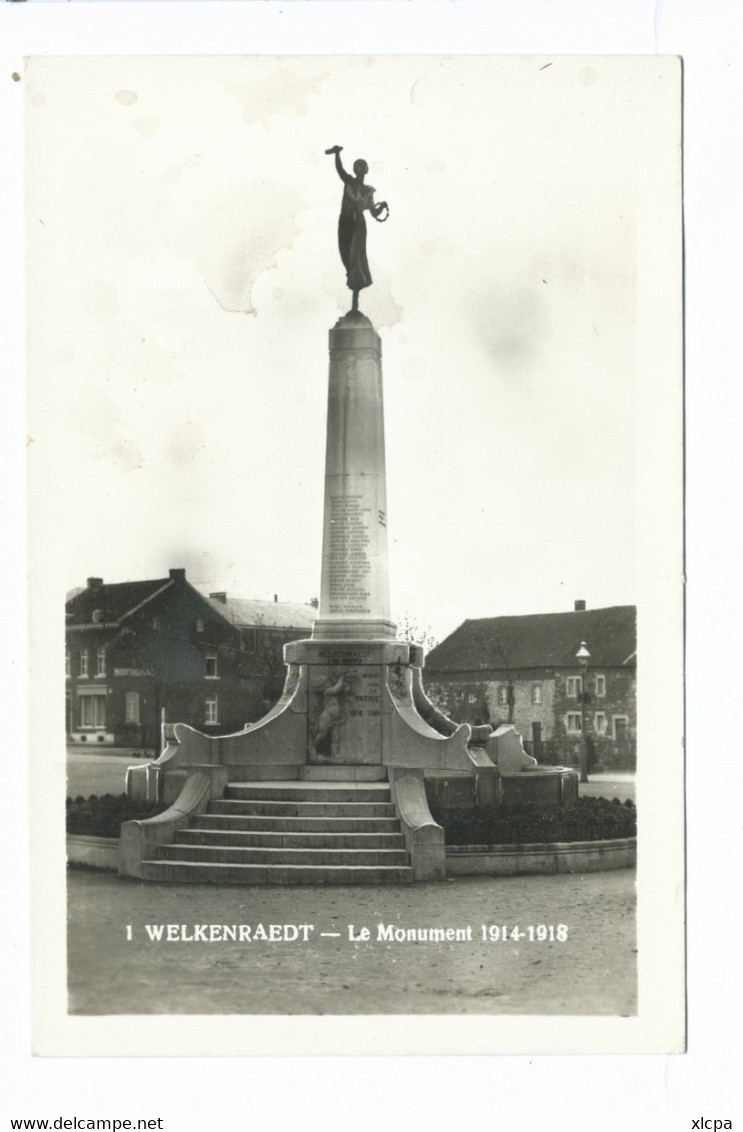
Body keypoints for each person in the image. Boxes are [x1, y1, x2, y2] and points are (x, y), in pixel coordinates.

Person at [325, 145, 388, 311]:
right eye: (357, 166)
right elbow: (340, 169)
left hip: (358, 223)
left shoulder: (368, 191)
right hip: (345, 221)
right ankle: (353, 285)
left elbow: (374, 212)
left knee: (355, 256)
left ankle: (356, 289)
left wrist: (382, 208)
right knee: (345, 255)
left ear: (366, 170)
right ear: (355, 169)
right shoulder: (349, 181)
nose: (360, 168)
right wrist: (337, 154)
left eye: (363, 166)